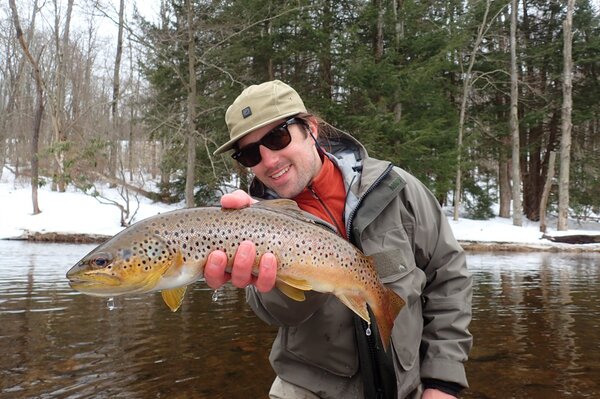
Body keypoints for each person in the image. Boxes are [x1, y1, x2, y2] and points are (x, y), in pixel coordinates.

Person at [206, 80, 472, 399]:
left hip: (410, 389)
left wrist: (443, 381)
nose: (269, 160)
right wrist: (275, 275)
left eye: (278, 137)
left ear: (311, 129)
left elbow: (448, 278)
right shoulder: (249, 223)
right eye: (249, 154)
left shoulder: (398, 189)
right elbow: (278, 315)